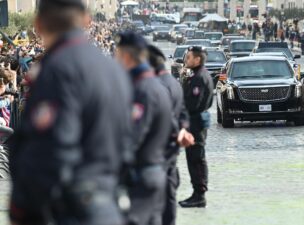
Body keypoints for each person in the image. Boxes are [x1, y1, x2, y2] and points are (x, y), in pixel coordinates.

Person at [9, 0, 133, 225]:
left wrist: (21, 209)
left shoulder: (56, 70)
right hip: (110, 205)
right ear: (87, 19)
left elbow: (49, 150)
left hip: (69, 209)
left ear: (38, 24)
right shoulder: (114, 71)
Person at [115, 31, 172, 225]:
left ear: (126, 56)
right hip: (154, 172)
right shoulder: (156, 86)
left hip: (141, 176)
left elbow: (132, 138)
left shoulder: (142, 91)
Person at [147, 44, 195, 225]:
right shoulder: (174, 83)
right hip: (171, 147)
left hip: (157, 148)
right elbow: (183, 110)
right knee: (169, 195)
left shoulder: (154, 86)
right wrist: (182, 128)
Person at [179, 46, 214, 208]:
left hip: (195, 124)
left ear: (197, 59)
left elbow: (193, 104)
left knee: (196, 158)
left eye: (189, 57)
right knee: (194, 157)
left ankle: (199, 195)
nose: (186, 60)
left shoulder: (199, 77)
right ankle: (197, 193)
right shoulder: (198, 75)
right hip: (195, 122)